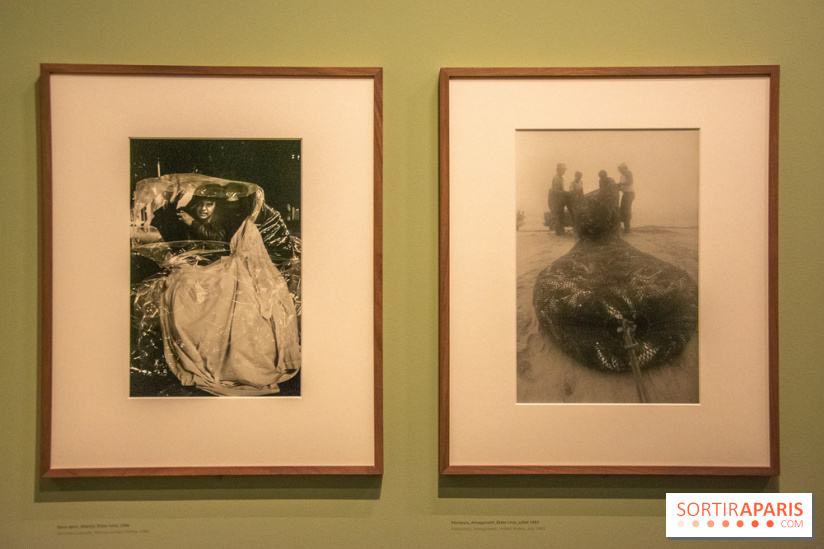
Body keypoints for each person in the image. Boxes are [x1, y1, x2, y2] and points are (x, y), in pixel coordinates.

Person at [548, 162, 568, 235]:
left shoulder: (560, 178)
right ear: (559, 170)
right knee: (558, 215)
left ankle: (560, 231)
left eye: (564, 170)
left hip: (559, 199)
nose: (564, 171)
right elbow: (556, 191)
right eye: (563, 170)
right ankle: (559, 232)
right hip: (555, 200)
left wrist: (564, 192)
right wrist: (564, 193)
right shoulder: (556, 178)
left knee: (560, 215)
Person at [617, 162, 635, 233]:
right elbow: (622, 187)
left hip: (629, 194)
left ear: (624, 168)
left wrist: (621, 184)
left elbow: (630, 181)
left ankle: (627, 229)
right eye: (619, 169)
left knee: (626, 210)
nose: (620, 171)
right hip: (626, 194)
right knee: (623, 210)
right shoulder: (622, 176)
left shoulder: (627, 173)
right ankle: (626, 228)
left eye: (620, 169)